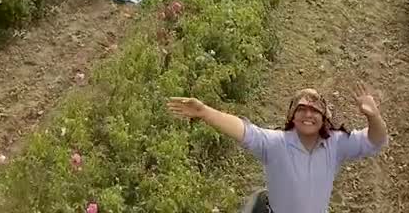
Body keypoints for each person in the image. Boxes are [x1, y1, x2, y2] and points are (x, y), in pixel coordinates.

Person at [167, 85, 389, 213]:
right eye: (301, 109)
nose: (308, 114)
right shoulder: (275, 143)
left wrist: (374, 116)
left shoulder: (336, 143)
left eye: (315, 110)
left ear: (324, 118)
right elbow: (243, 130)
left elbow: (375, 140)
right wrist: (205, 112)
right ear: (292, 116)